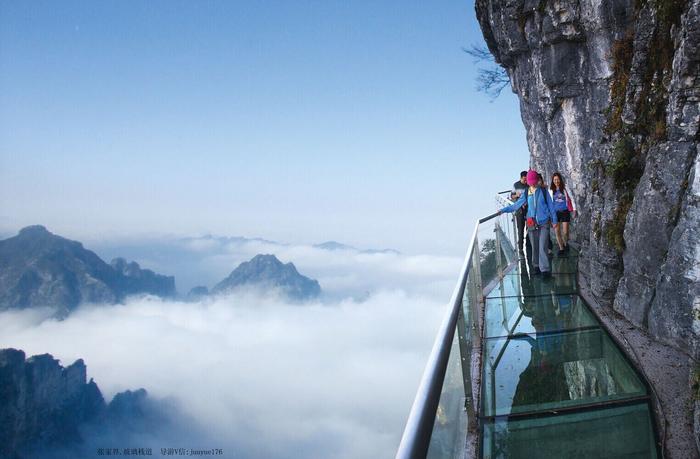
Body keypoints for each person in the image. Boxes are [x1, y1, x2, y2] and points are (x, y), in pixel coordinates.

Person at [498, 170, 558, 278]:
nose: (533, 184)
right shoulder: (526, 193)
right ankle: (536, 266)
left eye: (534, 181)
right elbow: (516, 206)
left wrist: (554, 220)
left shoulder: (543, 192)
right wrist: (503, 210)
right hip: (531, 223)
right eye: (531, 182)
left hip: (544, 222)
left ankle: (544, 270)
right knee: (535, 246)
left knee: (543, 246)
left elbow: (551, 206)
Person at [549, 172, 577, 254]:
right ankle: (561, 248)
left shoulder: (565, 188)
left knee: (565, 232)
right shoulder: (551, 191)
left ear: (560, 180)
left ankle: (565, 244)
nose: (556, 181)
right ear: (552, 181)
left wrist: (574, 209)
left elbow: (571, 198)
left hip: (565, 211)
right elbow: (549, 203)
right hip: (555, 213)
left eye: (557, 179)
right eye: (554, 180)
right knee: (557, 231)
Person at [511, 171, 529, 254]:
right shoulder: (516, 185)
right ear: (521, 178)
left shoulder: (529, 185)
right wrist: (516, 195)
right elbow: (512, 196)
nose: (526, 181)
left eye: (527, 179)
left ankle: (529, 246)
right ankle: (521, 249)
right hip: (519, 210)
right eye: (524, 179)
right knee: (520, 229)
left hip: (528, 209)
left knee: (529, 228)